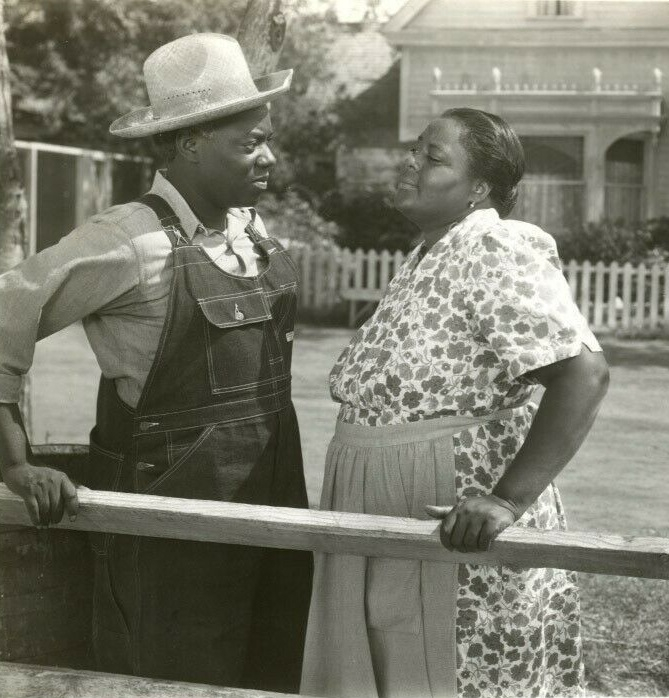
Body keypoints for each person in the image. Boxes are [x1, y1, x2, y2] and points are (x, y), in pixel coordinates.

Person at [0, 33, 312, 692]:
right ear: (190, 145)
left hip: (274, 512)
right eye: (249, 143)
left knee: (271, 671)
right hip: (169, 528)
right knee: (171, 679)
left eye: (265, 138)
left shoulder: (247, 230)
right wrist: (15, 462)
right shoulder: (128, 243)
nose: (268, 156)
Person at [301, 107, 609, 698]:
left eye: (433, 156)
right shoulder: (430, 253)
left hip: (454, 530)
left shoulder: (494, 245)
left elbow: (584, 375)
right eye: (414, 148)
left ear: (480, 189)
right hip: (382, 515)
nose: (410, 161)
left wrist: (506, 498)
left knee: (451, 678)